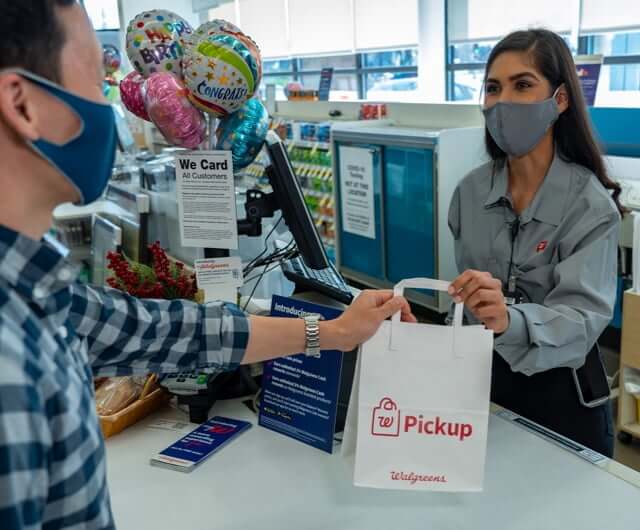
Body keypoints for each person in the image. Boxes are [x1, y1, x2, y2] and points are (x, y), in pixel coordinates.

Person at [0, 2, 416, 528]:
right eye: (94, 75)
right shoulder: (8, 357)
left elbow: (172, 332)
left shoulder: (39, 294)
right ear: (23, 104)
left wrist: (332, 332)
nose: (113, 101)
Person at [447, 29, 623, 456]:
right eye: (493, 87)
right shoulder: (469, 194)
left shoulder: (590, 206)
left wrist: (509, 319)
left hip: (562, 399)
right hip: (483, 384)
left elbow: (582, 321)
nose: (503, 101)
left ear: (560, 99)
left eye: (522, 85)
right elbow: (464, 302)